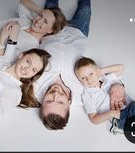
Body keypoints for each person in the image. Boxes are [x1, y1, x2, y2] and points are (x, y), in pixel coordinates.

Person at [19, 0, 91, 130]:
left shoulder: (34, 86)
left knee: (51, 4)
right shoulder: (83, 94)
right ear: (68, 104)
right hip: (78, 32)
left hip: (51, 30)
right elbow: (105, 80)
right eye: (60, 101)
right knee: (85, 7)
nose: (55, 94)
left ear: (42, 103)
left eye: (49, 100)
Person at [74, 56, 135, 135]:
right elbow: (94, 119)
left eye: (91, 74)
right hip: (121, 117)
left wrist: (101, 71)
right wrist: (111, 113)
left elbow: (121, 68)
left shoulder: (107, 79)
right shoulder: (87, 95)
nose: (88, 79)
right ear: (79, 80)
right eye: (83, 78)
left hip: (133, 107)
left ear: (97, 71)